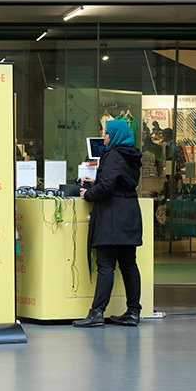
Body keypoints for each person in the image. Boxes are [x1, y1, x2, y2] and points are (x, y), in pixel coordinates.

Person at [74, 117, 144, 328]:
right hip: (129, 213)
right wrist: (100, 182)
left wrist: (88, 193)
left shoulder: (113, 155)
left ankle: (96, 313)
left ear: (114, 135)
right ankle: (133, 312)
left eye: (105, 133)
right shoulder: (130, 154)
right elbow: (120, 181)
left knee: (105, 265)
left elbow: (107, 188)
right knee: (129, 264)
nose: (103, 136)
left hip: (113, 216)